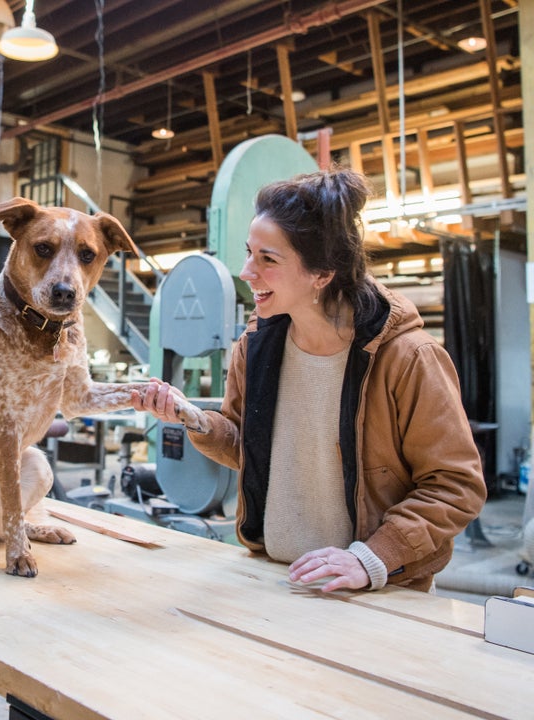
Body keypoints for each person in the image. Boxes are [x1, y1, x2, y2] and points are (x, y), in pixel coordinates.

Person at [132, 167, 487, 593]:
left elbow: (455, 486)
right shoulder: (256, 347)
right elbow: (250, 449)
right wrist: (194, 419)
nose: (247, 272)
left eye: (268, 259)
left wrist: (371, 559)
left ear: (321, 274)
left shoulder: (408, 357)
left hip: (372, 594)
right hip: (275, 575)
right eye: (249, 253)